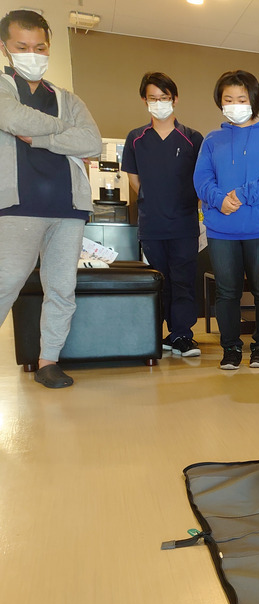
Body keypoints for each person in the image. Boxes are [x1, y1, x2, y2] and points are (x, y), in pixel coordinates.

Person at [0, 9, 101, 388]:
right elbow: (13, 118)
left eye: (40, 47)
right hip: (18, 205)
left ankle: (48, 361)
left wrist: (41, 137)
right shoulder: (3, 87)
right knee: (7, 281)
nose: (33, 54)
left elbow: (92, 141)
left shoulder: (66, 98)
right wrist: (65, 134)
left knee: (61, 288)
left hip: (68, 206)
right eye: (22, 46)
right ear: (5, 47)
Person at [193, 70, 259, 370]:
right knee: (227, 292)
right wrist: (218, 199)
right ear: (220, 102)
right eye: (228, 99)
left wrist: (241, 195)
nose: (235, 105)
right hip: (222, 230)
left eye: (241, 99)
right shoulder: (213, 139)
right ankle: (231, 347)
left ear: (254, 100)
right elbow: (201, 177)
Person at [122, 72, 204, 358]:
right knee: (158, 281)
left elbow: (201, 179)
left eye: (165, 98)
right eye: (153, 98)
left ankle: (181, 335)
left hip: (183, 223)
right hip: (152, 224)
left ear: (175, 99)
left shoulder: (192, 138)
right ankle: (156, 335)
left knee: (183, 280)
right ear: (144, 100)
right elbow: (134, 179)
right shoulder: (136, 138)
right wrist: (152, 199)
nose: (159, 103)